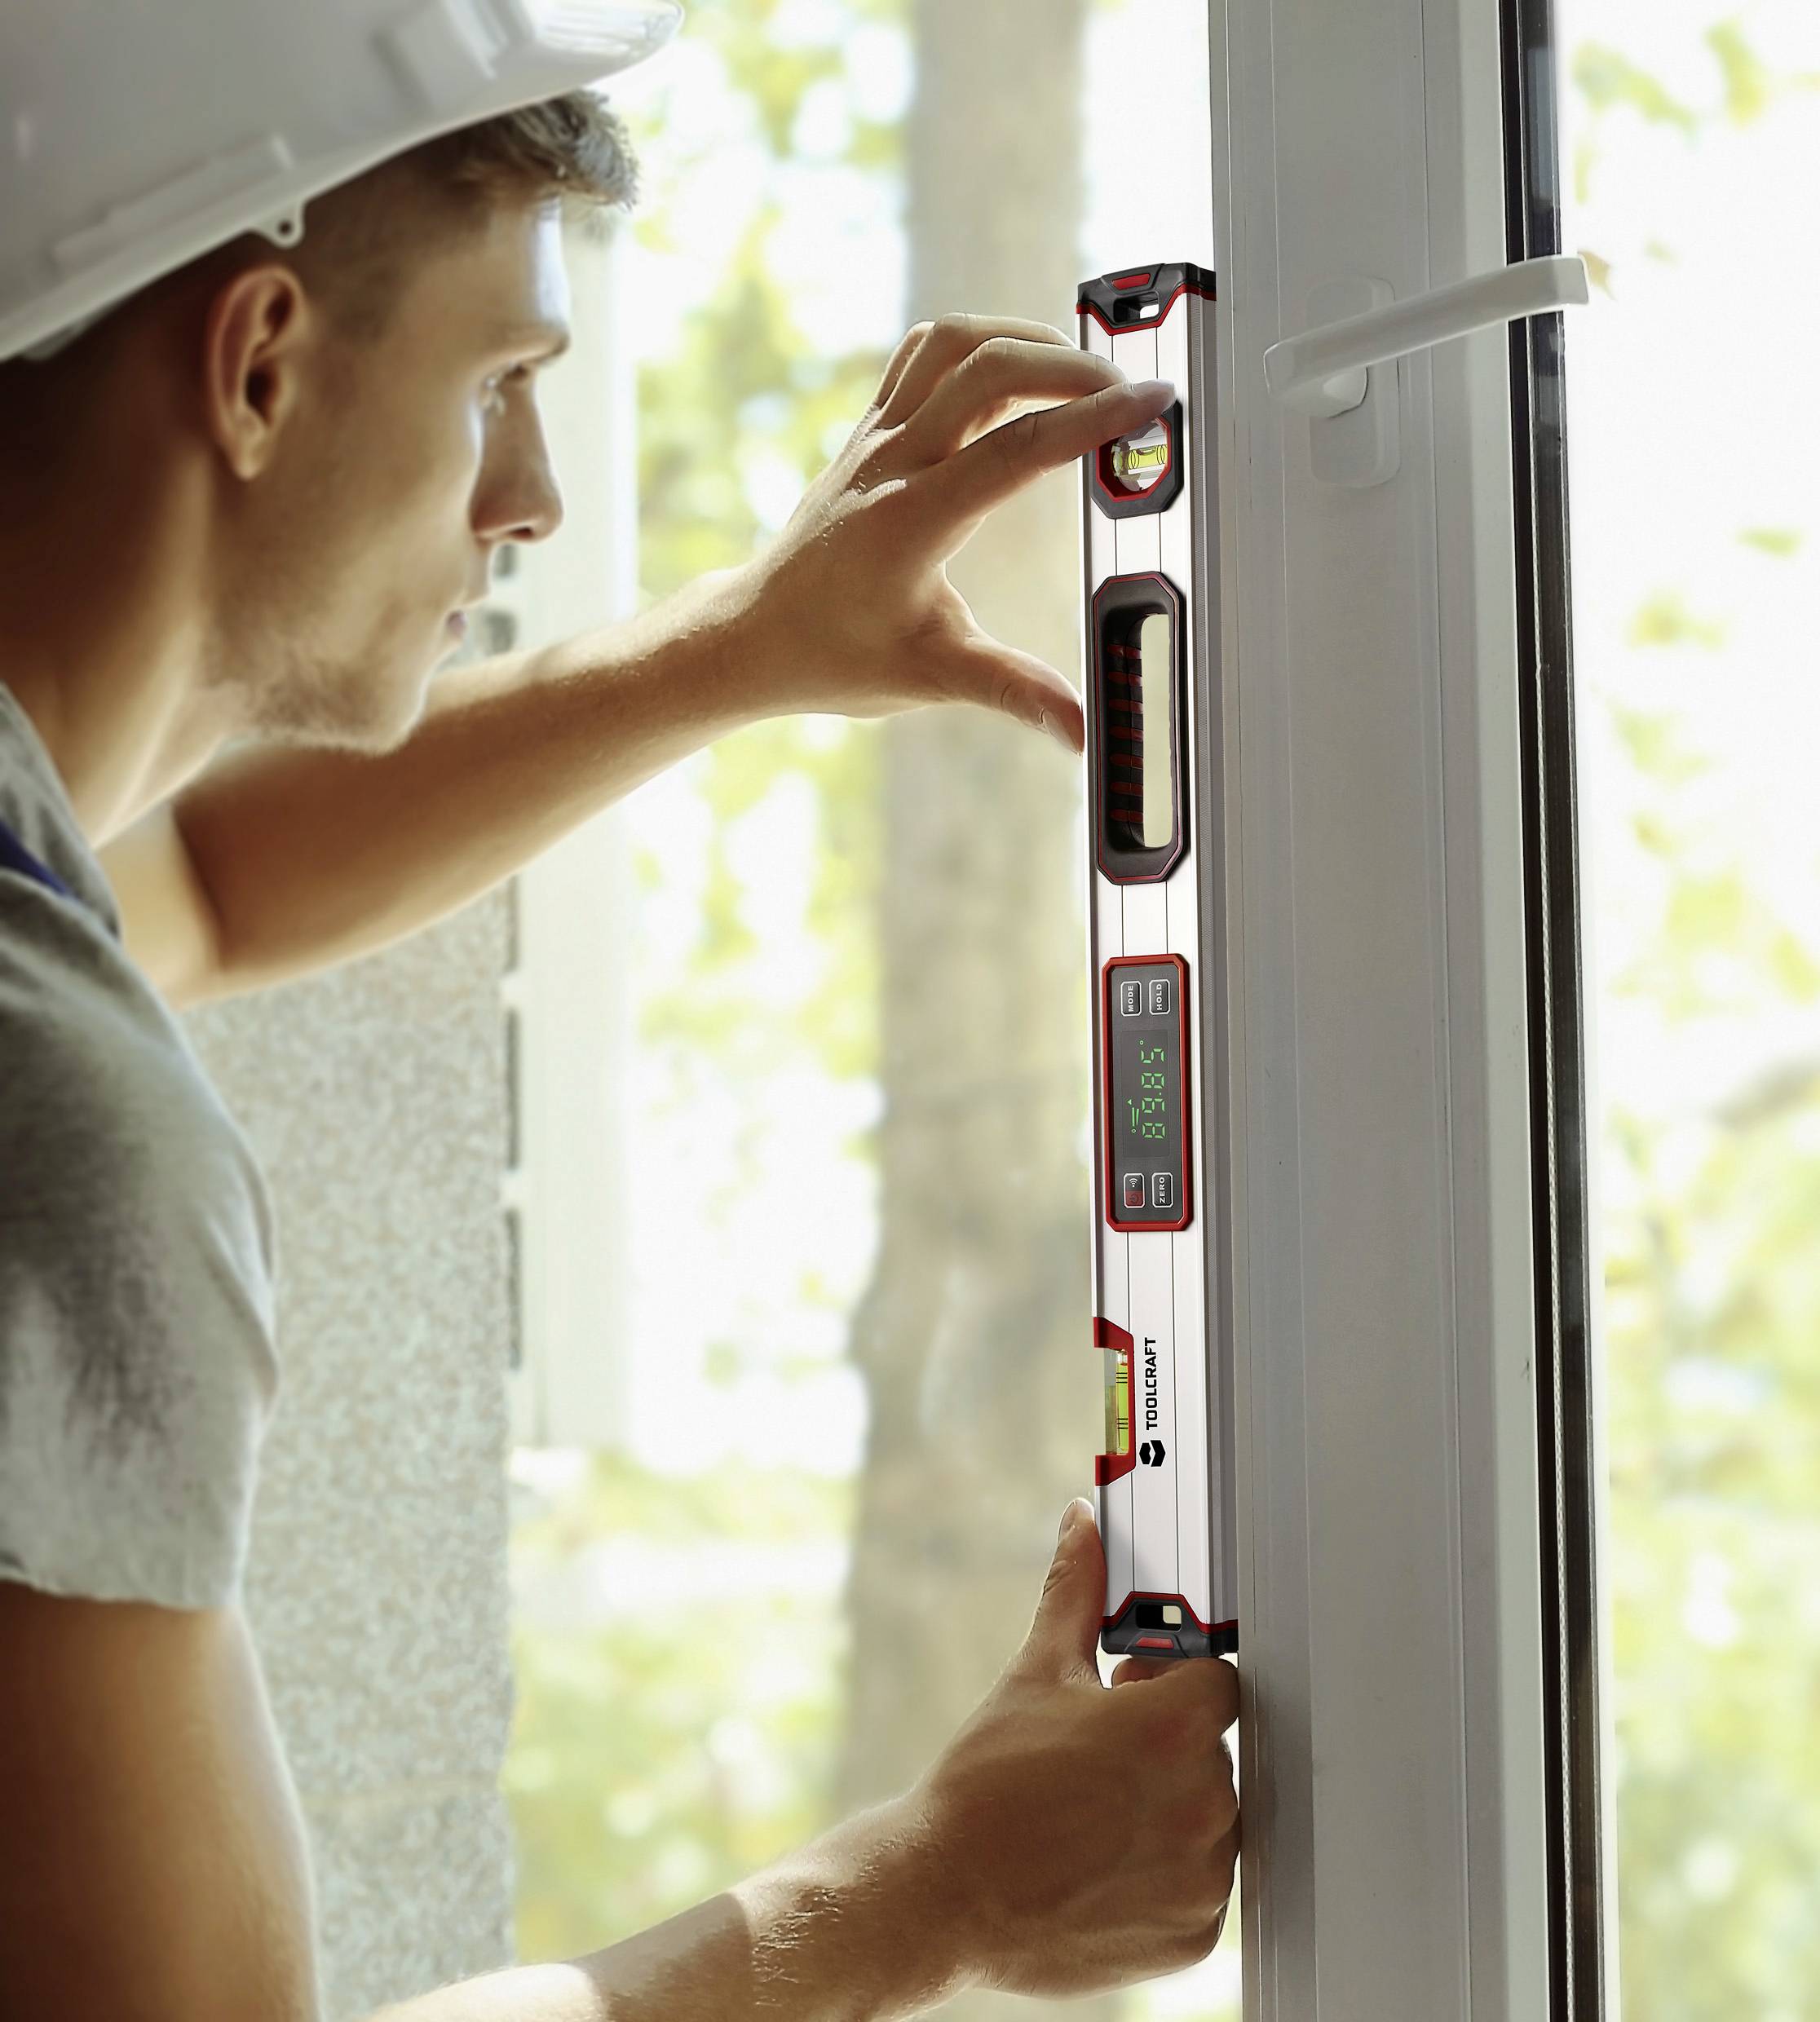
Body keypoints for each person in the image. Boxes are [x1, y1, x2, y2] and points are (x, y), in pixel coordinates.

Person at [0, 4, 1239, 2017]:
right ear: (257, 361)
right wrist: (935, 1892)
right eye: (502, 378)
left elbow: (204, 885)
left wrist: (747, 641)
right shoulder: (54, 1136)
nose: (535, 498)